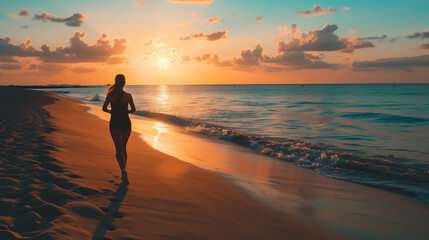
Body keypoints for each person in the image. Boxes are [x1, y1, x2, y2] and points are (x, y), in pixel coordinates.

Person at [102, 74, 136, 186]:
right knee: (124, 149)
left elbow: (104, 108)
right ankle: (124, 171)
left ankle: (123, 171)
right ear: (124, 83)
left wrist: (110, 111)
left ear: (116, 82)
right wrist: (126, 112)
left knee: (118, 149)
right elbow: (133, 110)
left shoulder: (111, 95)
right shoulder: (128, 96)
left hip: (115, 123)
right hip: (126, 123)